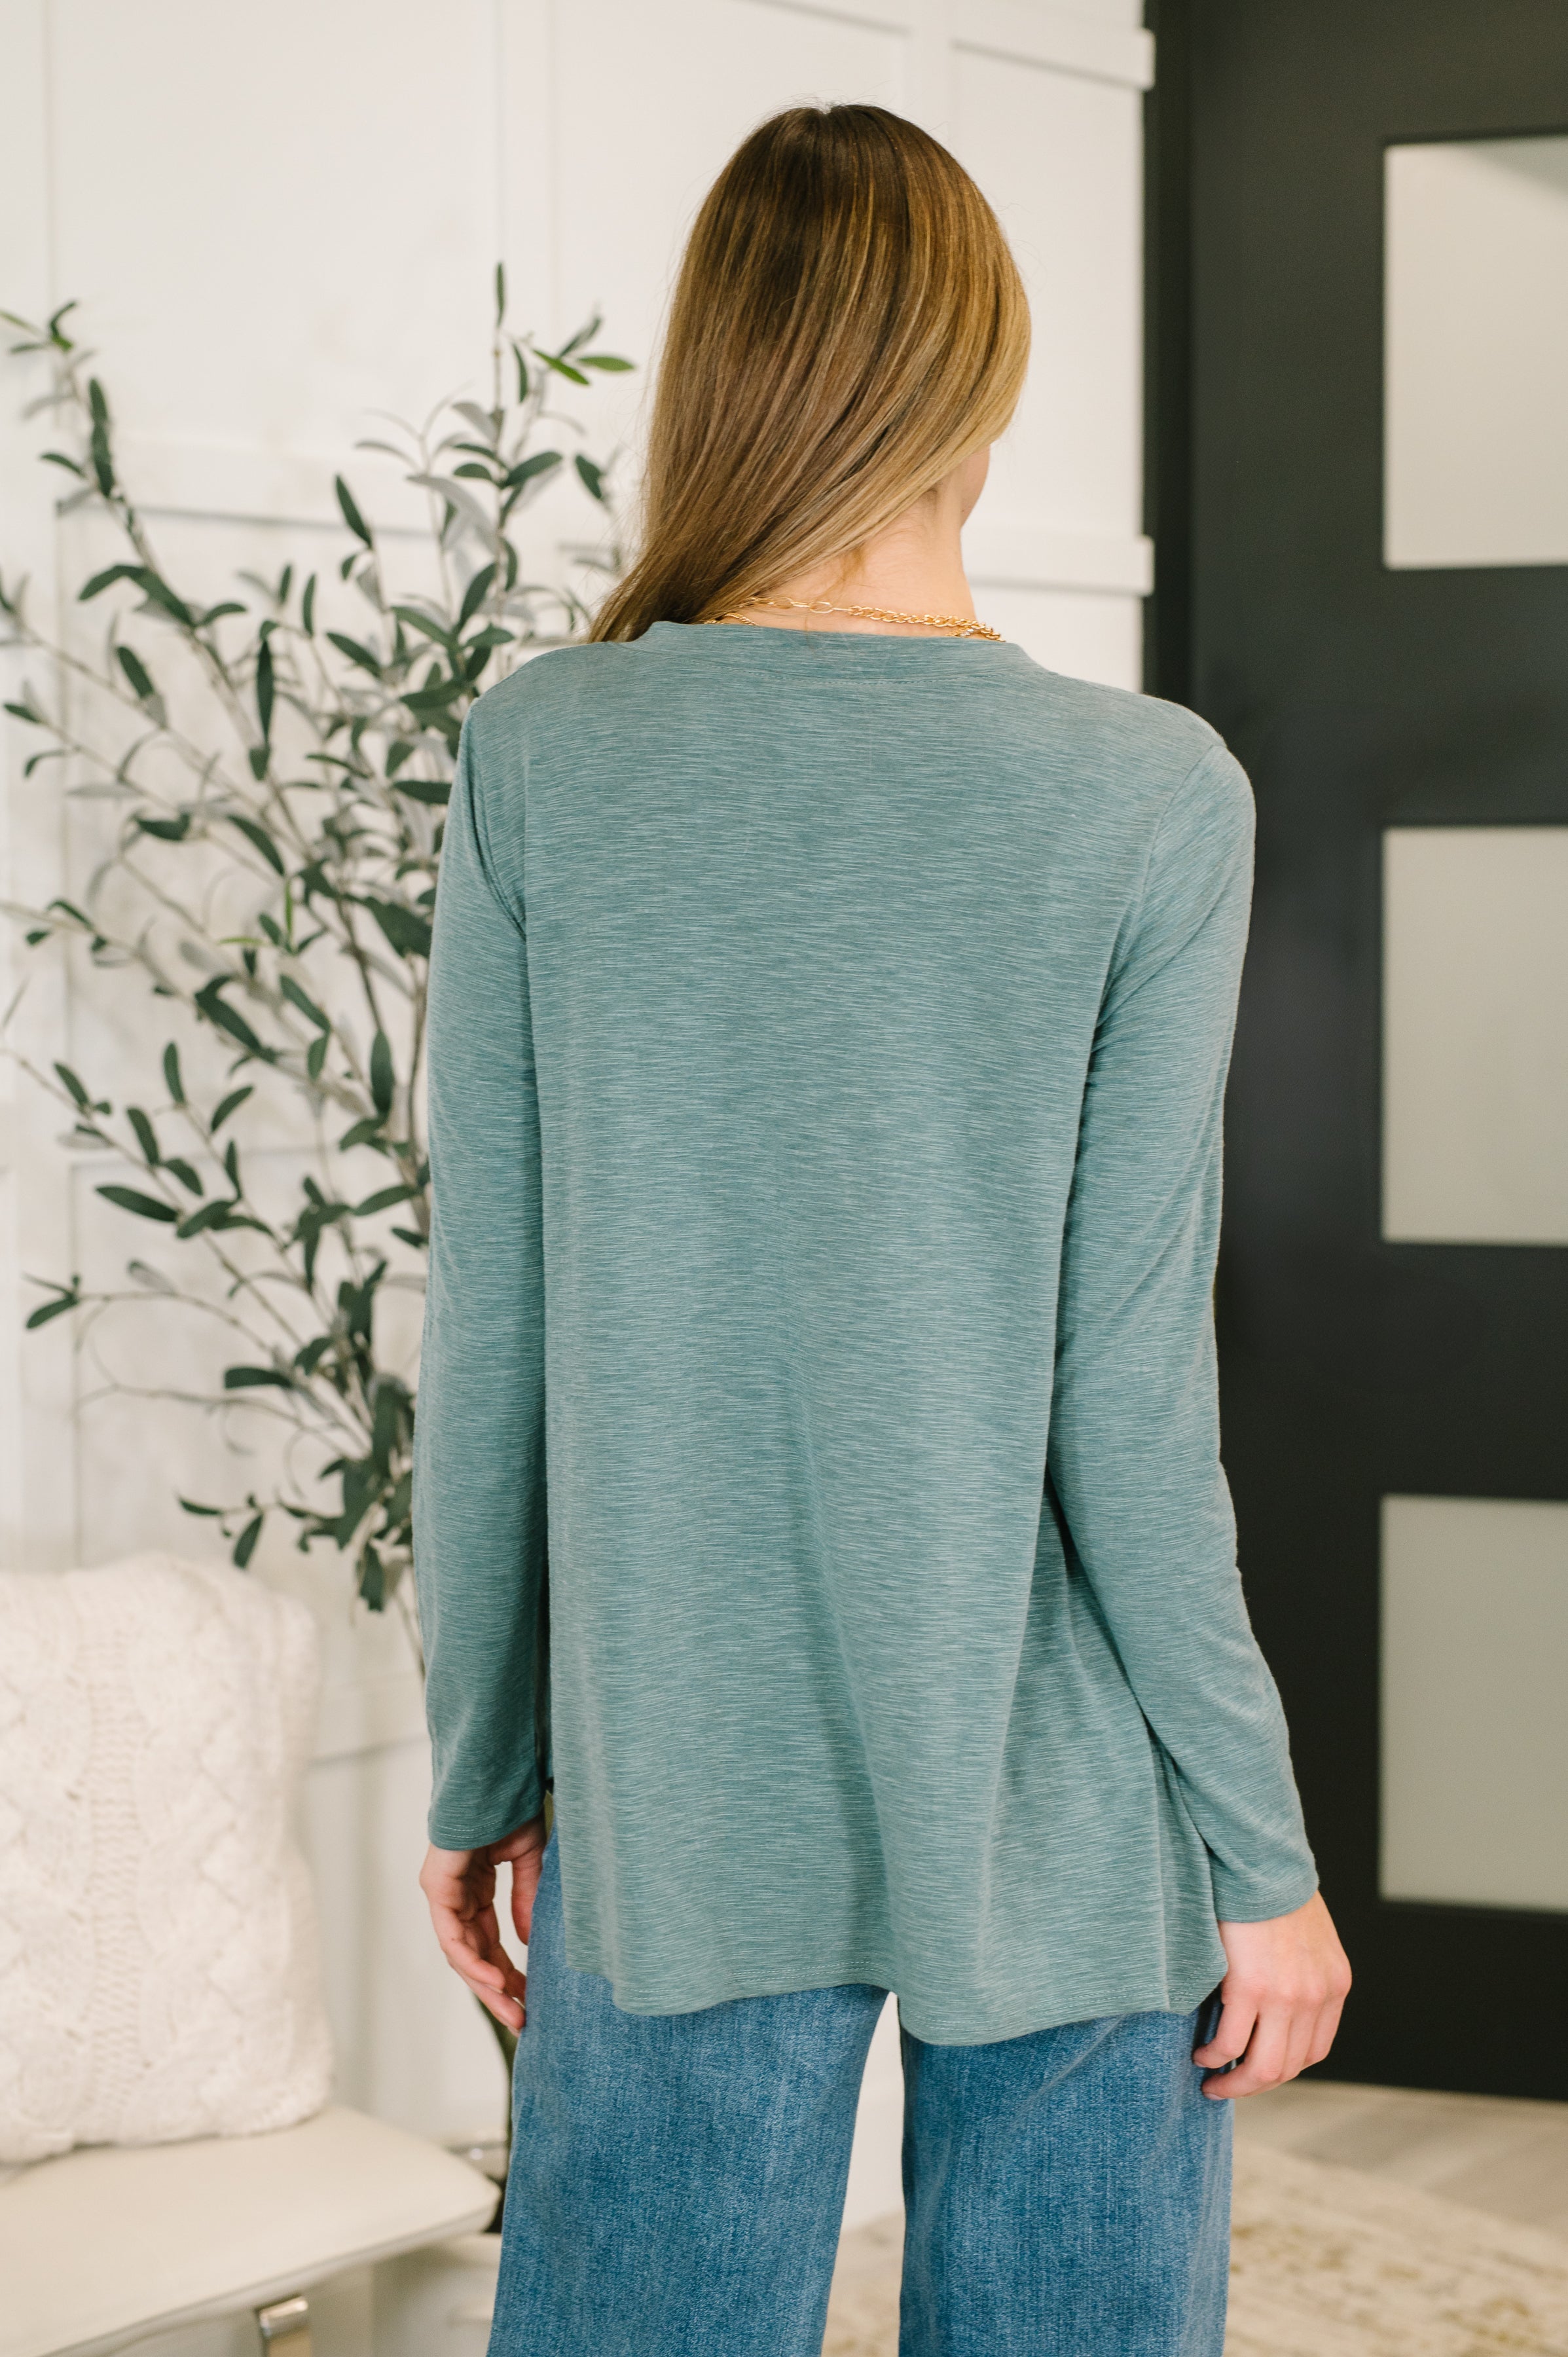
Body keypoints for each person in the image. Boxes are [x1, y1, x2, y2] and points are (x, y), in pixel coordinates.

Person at [413, 101, 1351, 2357]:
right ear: (989, 380)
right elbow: (1124, 1400)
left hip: (671, 1780)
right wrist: (1262, 1854)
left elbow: (497, 1335)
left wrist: (482, 1763)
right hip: (1056, 1795)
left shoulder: (548, 755)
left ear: (718, 371)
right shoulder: (1148, 795)